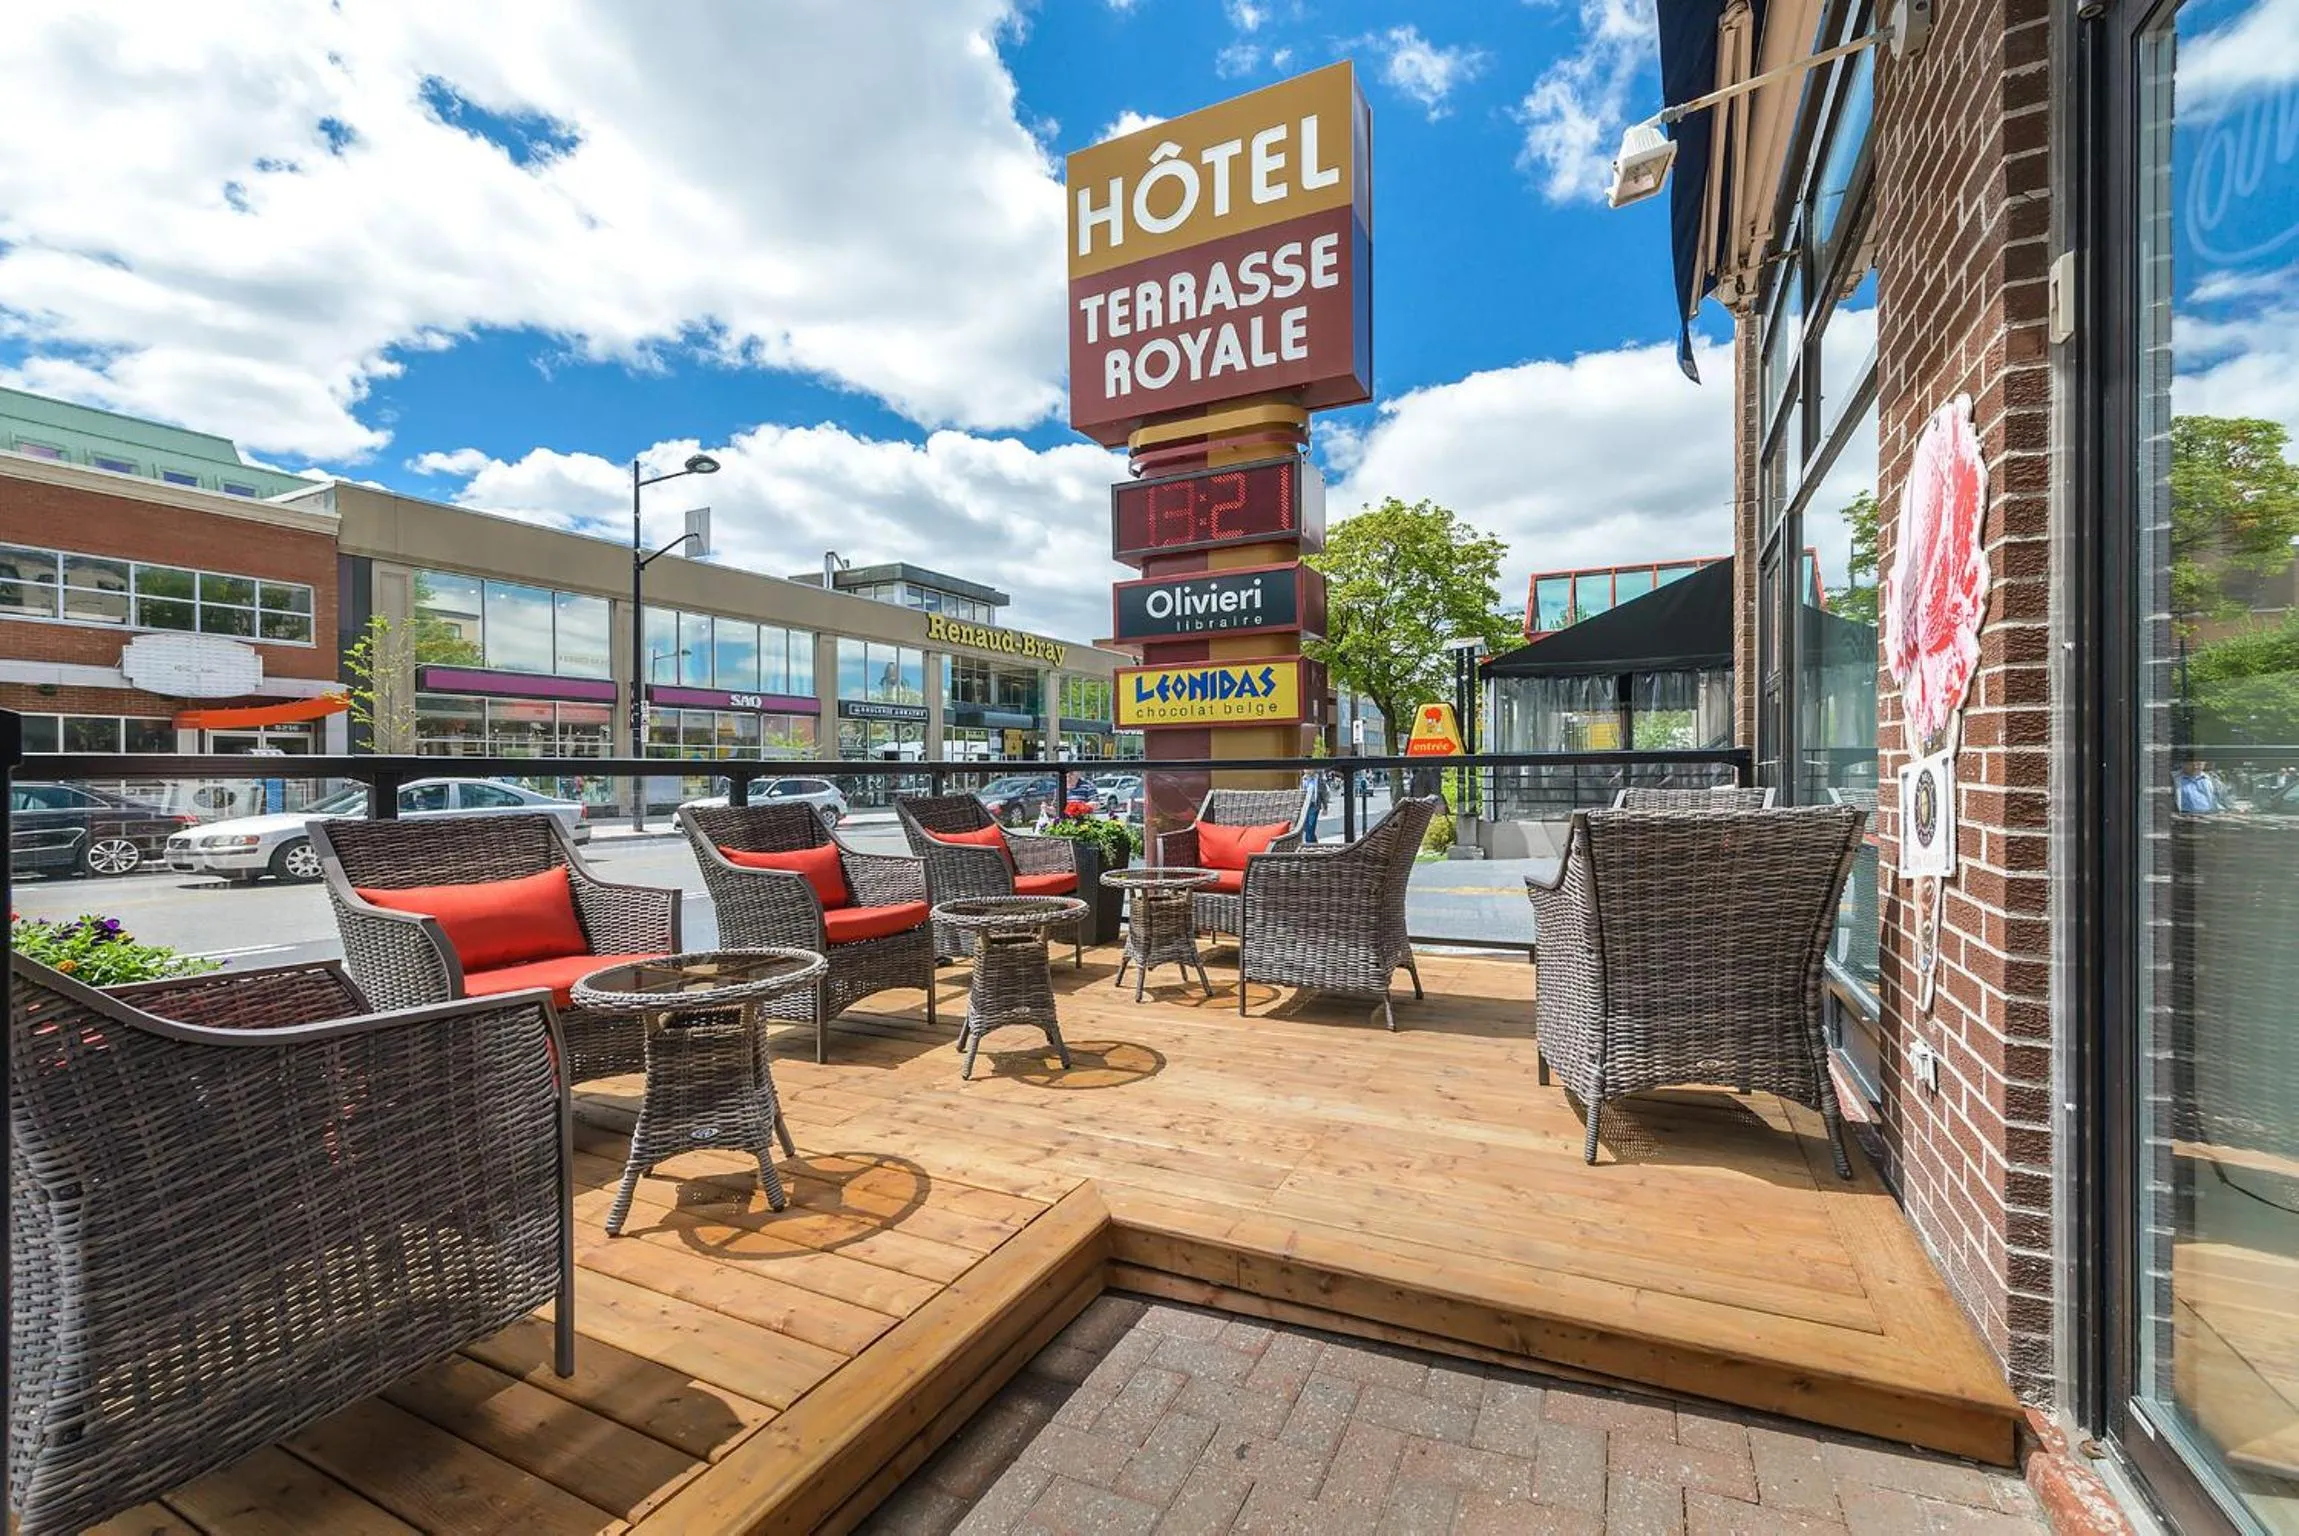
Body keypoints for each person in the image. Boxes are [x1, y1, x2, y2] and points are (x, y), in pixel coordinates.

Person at [1300, 766, 1328, 844]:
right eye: (1305, 768)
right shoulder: (1303, 779)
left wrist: (1325, 807)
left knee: (1310, 826)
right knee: (1306, 827)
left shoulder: (1319, 780)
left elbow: (1324, 794)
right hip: (1304, 806)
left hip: (1314, 805)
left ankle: (1309, 844)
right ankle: (1314, 843)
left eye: (1308, 768)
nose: (1306, 770)